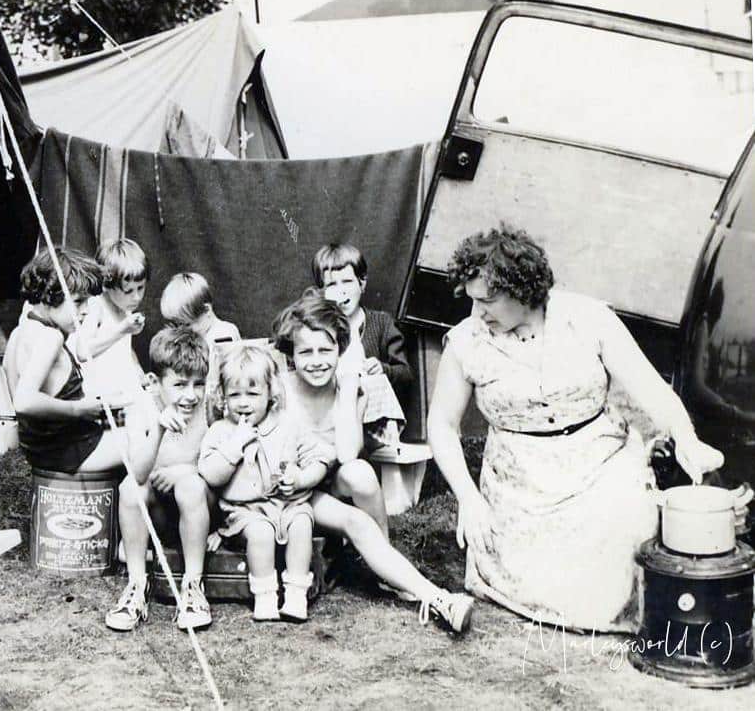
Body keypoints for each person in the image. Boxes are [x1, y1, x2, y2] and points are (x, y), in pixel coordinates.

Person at [428, 225, 725, 632]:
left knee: (622, 537)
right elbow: (442, 425)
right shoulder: (466, 342)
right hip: (521, 486)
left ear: (522, 290)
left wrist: (685, 437)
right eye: (472, 299)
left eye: (488, 300)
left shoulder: (589, 319)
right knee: (548, 582)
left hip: (601, 463)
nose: (477, 312)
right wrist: (468, 497)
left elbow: (651, 389)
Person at [272, 291, 475, 632]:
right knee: (357, 522)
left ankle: (388, 564)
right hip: (291, 494)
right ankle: (437, 597)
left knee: (361, 473)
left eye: (326, 350)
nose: (316, 361)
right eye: (305, 352)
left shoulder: (351, 390)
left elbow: (347, 453)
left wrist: (348, 390)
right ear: (291, 354)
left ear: (340, 349)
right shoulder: (280, 390)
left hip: (325, 481)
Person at [198, 343, 329, 622]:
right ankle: (265, 594)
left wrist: (301, 479)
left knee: (302, 523)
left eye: (253, 393)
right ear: (223, 396)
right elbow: (210, 475)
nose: (243, 402)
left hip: (288, 504)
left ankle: (296, 593)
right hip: (246, 511)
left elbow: (321, 457)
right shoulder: (221, 431)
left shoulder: (288, 425)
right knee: (261, 533)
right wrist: (235, 445)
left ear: (271, 393)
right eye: (234, 395)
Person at [4, 248, 155, 478]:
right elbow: (24, 401)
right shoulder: (51, 338)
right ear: (49, 295)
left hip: (39, 448)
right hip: (66, 451)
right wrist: (78, 410)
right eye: (78, 302)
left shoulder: (20, 331)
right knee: (148, 437)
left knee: (131, 424)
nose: (85, 311)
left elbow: (8, 371)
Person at [106, 326, 217, 632]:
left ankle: (193, 586)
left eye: (198, 384)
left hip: (199, 509)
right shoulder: (140, 407)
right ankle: (137, 585)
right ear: (155, 382)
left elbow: (219, 464)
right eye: (179, 384)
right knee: (130, 488)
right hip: (158, 514)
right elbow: (139, 473)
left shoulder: (209, 407)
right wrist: (158, 427)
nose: (191, 395)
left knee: (190, 486)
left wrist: (186, 471)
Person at [311, 244, 412, 398]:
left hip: (373, 406)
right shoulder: (317, 327)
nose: (341, 290)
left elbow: (406, 374)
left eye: (347, 281)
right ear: (322, 292)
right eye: (332, 284)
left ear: (362, 283)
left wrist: (384, 369)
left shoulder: (382, 323)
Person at [159, 272, 241, 422]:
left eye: (187, 324)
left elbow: (218, 380)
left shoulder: (222, 334)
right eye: (177, 325)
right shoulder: (198, 335)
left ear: (207, 310)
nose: (182, 331)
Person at [76, 238, 148, 402]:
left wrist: (137, 369)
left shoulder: (125, 308)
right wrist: (122, 330)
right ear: (106, 286)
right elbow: (82, 352)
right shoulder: (96, 306)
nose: (137, 297)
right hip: (99, 391)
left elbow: (124, 348)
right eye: (128, 291)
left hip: (121, 387)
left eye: (141, 288)